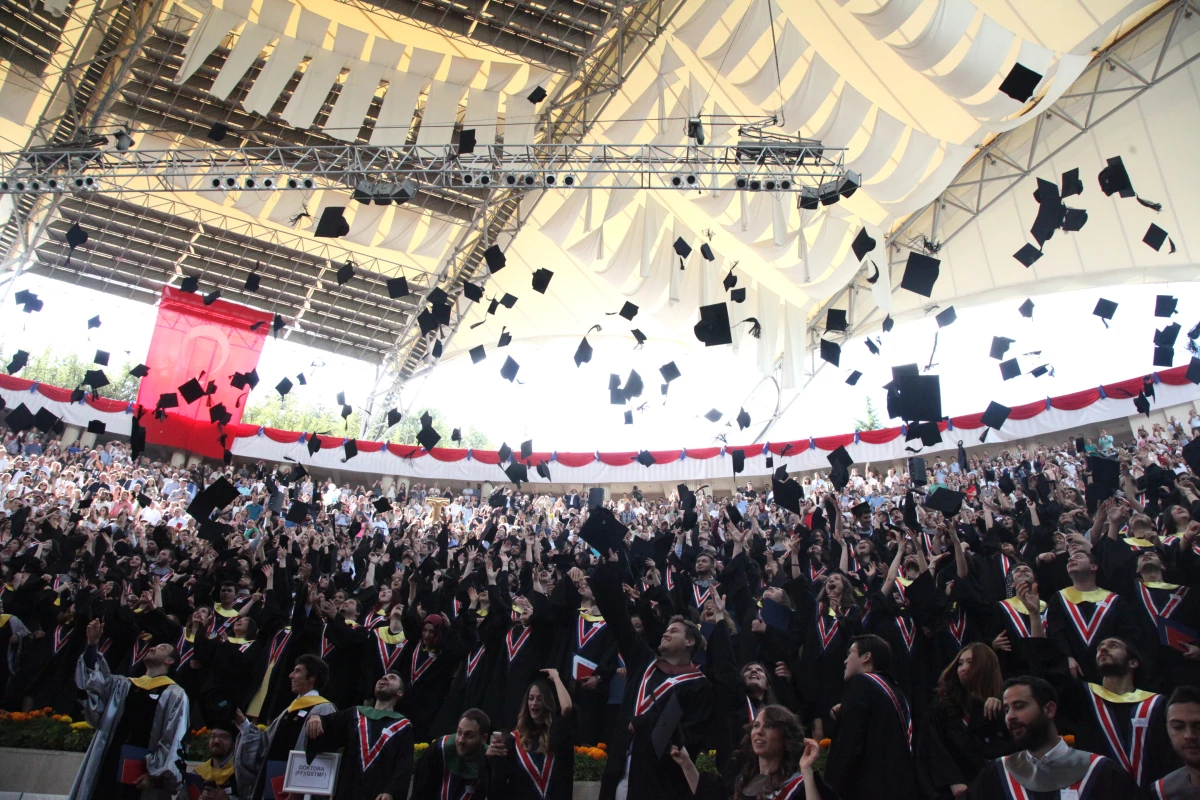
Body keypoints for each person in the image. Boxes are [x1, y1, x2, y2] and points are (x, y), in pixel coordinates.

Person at [69, 618, 190, 800]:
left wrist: (156, 775)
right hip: (109, 762)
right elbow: (92, 685)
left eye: (161, 648)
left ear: (170, 661)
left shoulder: (175, 694)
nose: (152, 647)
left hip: (143, 773)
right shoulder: (123, 685)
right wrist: (93, 644)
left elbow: (174, 738)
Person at [966, 676, 1141, 798]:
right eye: (1006, 710)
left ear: (1049, 710)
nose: (1010, 716)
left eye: (1019, 706)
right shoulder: (996, 776)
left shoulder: (1102, 772)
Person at [824, 634, 919, 800]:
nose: (845, 661)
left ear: (867, 656)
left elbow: (850, 743)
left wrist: (832, 788)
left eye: (850, 653)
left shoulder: (861, 683)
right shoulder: (896, 691)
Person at [918, 643, 1015, 799]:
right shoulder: (943, 705)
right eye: (960, 663)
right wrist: (952, 779)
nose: (962, 668)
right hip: (957, 789)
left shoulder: (1005, 703)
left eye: (970, 662)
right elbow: (932, 746)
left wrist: (999, 712)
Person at [233, 654, 335, 800]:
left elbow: (321, 757)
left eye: (298, 671)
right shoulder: (288, 711)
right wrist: (243, 723)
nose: (291, 675)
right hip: (273, 786)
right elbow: (264, 744)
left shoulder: (323, 709)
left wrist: (298, 788)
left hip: (298, 792)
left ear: (312, 677)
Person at [303, 671, 414, 800]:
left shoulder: (403, 726)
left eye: (392, 678)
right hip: (347, 791)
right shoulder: (354, 714)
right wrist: (316, 718)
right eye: (383, 676)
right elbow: (328, 729)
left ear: (399, 693)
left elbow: (404, 764)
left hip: (378, 794)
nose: (384, 677)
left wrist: (391, 791)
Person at [486, 668, 575, 799]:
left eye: (540, 699)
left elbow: (566, 707)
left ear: (547, 702)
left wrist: (556, 677)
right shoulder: (514, 739)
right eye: (531, 698)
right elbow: (499, 784)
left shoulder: (557, 735)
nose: (534, 703)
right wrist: (488, 758)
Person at [729, 705, 831, 800]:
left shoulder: (800, 785)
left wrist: (806, 770)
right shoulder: (743, 780)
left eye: (769, 726)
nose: (759, 731)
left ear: (786, 737)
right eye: (756, 725)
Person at [411, 708, 490, 799]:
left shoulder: (488, 759)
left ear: (483, 739)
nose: (460, 740)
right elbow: (420, 793)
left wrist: (489, 764)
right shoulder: (438, 749)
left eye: (469, 735)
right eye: (459, 732)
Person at [1156, 685, 1200, 799]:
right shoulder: (1161, 792)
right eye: (1178, 727)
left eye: (1199, 726)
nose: (1189, 735)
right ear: (1167, 730)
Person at [178, 723, 239, 800]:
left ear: (234, 743)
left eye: (223, 737)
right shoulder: (197, 775)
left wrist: (227, 799)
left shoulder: (241, 773)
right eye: (213, 736)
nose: (216, 741)